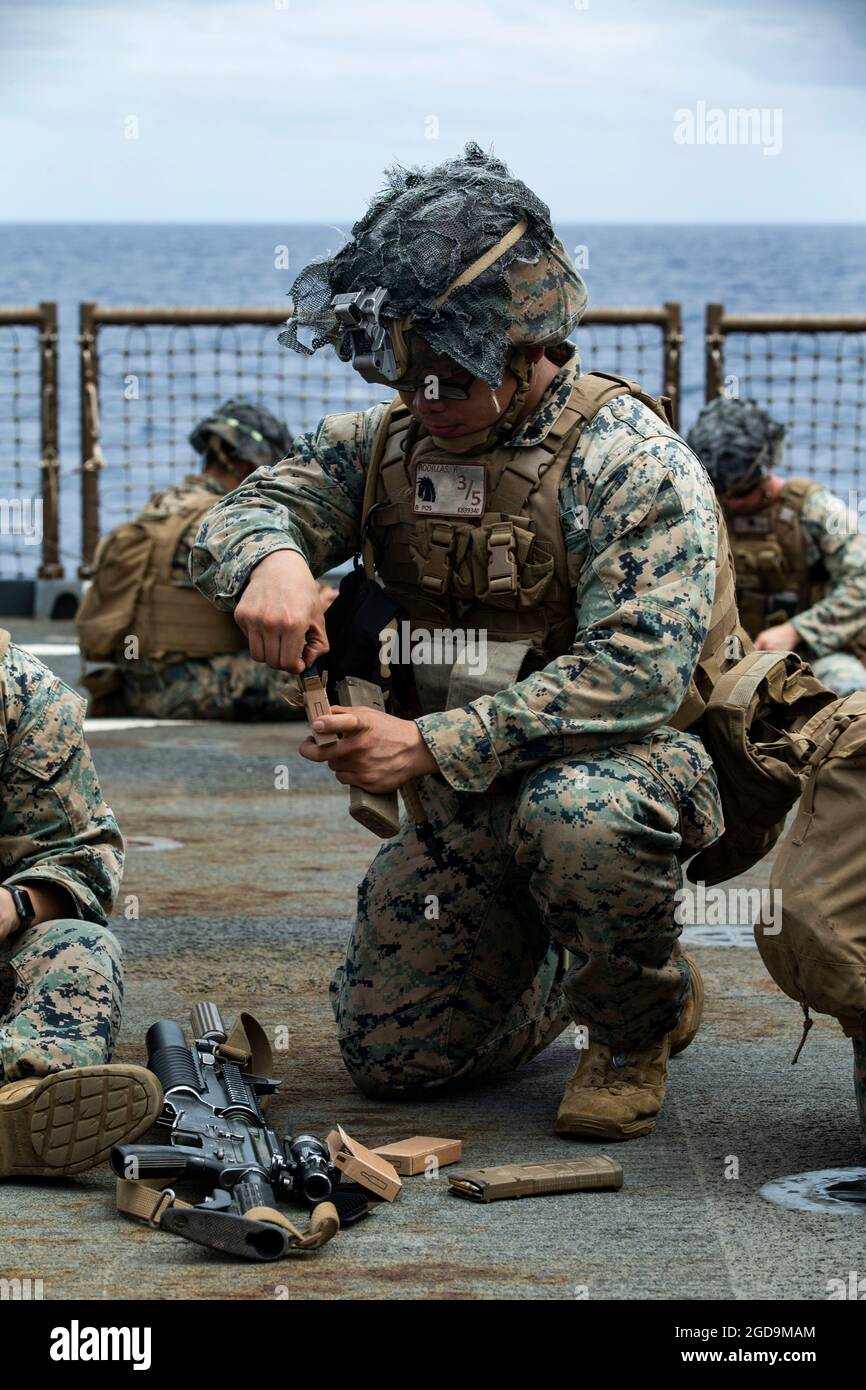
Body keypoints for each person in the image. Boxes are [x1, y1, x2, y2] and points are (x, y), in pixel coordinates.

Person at [191, 143, 747, 1140]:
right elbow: (245, 511)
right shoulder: (389, 444)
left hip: (617, 772)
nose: (422, 400)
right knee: (394, 1061)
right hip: (465, 808)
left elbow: (638, 675)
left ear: (527, 351)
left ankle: (633, 1023)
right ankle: (564, 962)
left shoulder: (628, 464)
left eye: (449, 377)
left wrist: (428, 743)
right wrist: (270, 558)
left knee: (584, 816)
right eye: (406, 374)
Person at [0, 628, 160, 1177]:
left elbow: (77, 853)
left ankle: (28, 1105)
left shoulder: (16, 691)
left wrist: (17, 902)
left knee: (82, 949)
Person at [76, 399, 335, 719]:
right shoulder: (226, 523)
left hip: (131, 686)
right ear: (247, 469)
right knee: (337, 674)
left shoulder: (166, 507)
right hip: (189, 687)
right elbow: (276, 610)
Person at [688, 396, 866, 696]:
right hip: (723, 657)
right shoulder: (701, 510)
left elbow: (860, 581)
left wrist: (798, 631)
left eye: (742, 492)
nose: (731, 502)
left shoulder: (813, 510)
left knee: (850, 689)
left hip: (807, 656)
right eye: (722, 493)